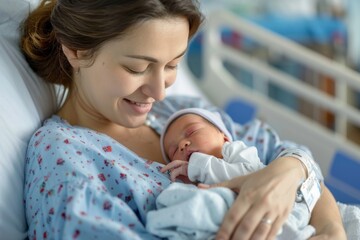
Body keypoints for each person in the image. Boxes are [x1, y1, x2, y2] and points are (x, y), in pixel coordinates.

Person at [20, 0, 346, 239]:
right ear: (75, 50)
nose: (159, 92)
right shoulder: (63, 159)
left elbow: (288, 154)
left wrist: (316, 209)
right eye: (137, 68)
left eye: (173, 65)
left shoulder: (180, 114)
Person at [145, 108, 316, 239]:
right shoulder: (189, 181)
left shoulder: (235, 152)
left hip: (284, 215)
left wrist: (197, 166)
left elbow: (252, 177)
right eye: (173, 150)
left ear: (224, 138)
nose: (182, 144)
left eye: (192, 132)